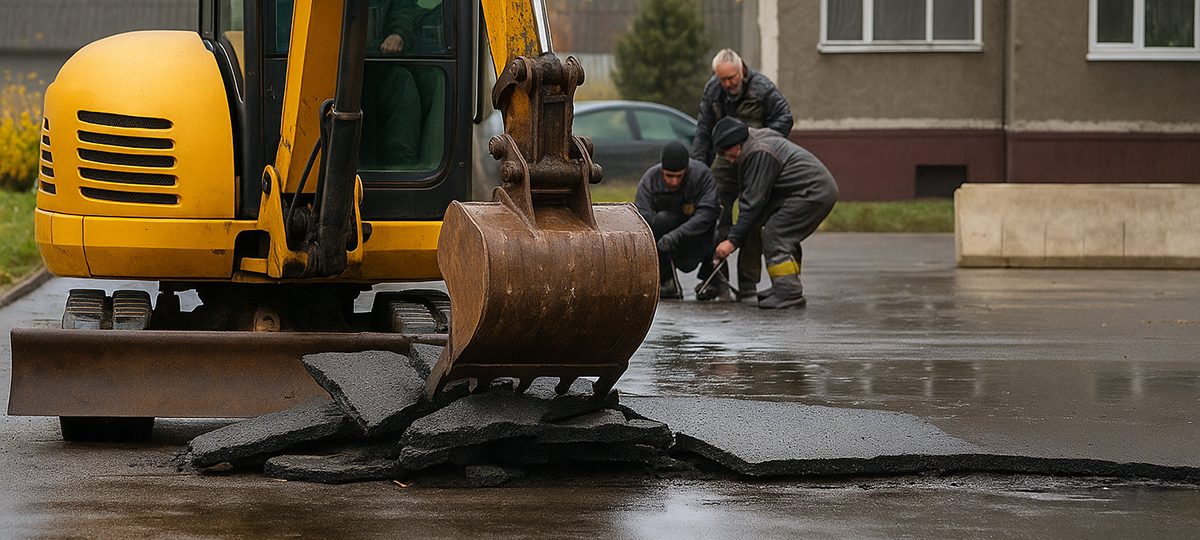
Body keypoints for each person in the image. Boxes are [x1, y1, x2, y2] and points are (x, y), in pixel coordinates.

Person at [692, 48, 794, 301]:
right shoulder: (713, 89)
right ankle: (717, 279)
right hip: (725, 161)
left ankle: (748, 283)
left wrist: (765, 145)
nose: (727, 84)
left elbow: (785, 118)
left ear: (741, 70)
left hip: (755, 158)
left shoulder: (763, 88)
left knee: (753, 215)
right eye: (722, 80)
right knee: (713, 213)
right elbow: (703, 131)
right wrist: (699, 168)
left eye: (731, 79)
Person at [710, 117, 837, 309]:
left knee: (775, 234)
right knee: (772, 231)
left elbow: (753, 203)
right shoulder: (751, 141)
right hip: (807, 191)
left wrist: (732, 241)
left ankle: (788, 291)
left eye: (730, 156)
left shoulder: (760, 153)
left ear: (737, 147)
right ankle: (783, 286)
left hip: (812, 193)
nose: (730, 161)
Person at [635, 141, 721, 300]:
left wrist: (677, 235)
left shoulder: (702, 175)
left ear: (687, 171)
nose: (674, 182)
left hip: (698, 234)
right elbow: (641, 217)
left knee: (719, 228)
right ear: (662, 170)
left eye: (678, 176)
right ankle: (666, 280)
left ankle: (711, 281)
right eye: (669, 176)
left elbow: (707, 213)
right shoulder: (650, 180)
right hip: (665, 235)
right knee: (659, 221)